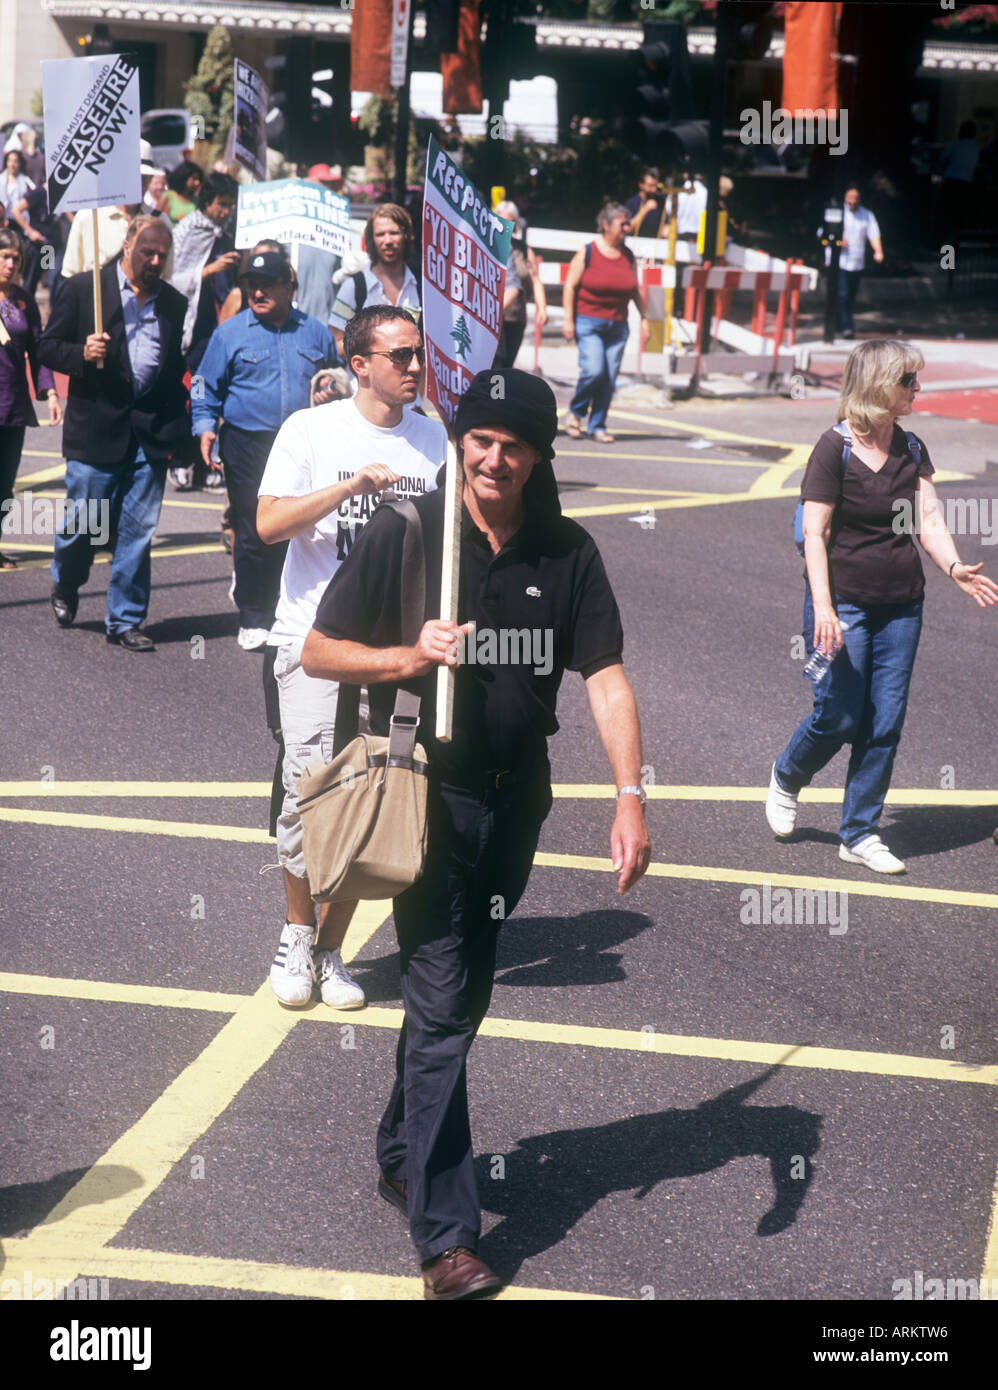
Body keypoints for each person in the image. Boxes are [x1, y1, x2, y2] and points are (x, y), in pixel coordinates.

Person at [300, 366, 651, 1299]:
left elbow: (604, 675)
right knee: (445, 996)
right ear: (462, 444)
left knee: (461, 995)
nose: (494, 458)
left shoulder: (567, 549)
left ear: (537, 456)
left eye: (514, 445)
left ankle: (398, 1147)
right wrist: (409, 655)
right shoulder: (409, 530)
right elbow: (318, 650)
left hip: (516, 798)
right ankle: (446, 1238)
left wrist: (629, 795)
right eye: (480, 441)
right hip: (426, 796)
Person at [256, 303, 445, 1011]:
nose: (414, 368)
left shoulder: (434, 442)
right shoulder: (310, 429)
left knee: (374, 800)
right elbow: (269, 523)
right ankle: (298, 935)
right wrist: (348, 488)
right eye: (400, 356)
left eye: (418, 355)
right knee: (310, 799)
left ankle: (334, 949)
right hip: (310, 641)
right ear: (359, 363)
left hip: (395, 651)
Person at [766, 339, 997, 873]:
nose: (916, 389)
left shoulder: (912, 449)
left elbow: (929, 521)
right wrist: (823, 608)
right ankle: (787, 776)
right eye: (908, 381)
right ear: (879, 385)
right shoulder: (835, 448)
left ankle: (860, 832)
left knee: (884, 721)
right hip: (843, 603)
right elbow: (816, 533)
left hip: (901, 607)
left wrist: (955, 568)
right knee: (840, 716)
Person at [38, 215, 189, 651]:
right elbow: (48, 346)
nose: (155, 260)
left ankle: (124, 619)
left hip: (149, 434)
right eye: (147, 251)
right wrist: (81, 353)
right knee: (83, 523)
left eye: (162, 253)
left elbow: (174, 367)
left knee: (136, 530)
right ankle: (66, 580)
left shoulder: (173, 304)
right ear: (127, 246)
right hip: (96, 429)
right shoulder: (84, 288)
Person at [192, 249, 341, 651]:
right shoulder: (230, 333)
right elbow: (203, 384)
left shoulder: (316, 332)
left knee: (299, 529)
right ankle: (254, 615)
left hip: (302, 444)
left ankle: (285, 609)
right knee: (256, 529)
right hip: (247, 442)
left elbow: (337, 378)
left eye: (267, 284)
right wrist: (204, 425)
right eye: (250, 284)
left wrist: (332, 390)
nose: (257, 291)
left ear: (290, 288)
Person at [167, 171, 240, 490]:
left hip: (222, 327)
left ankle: (210, 462)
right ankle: (183, 459)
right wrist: (210, 270)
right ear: (206, 203)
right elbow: (171, 279)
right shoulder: (187, 230)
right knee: (194, 393)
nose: (226, 211)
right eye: (222, 205)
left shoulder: (229, 231)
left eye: (230, 205)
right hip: (194, 331)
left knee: (216, 395)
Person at [561, 202, 649, 444]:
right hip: (589, 322)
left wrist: (644, 318)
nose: (626, 228)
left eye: (627, 223)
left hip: (618, 325)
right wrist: (568, 318)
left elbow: (635, 289)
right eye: (622, 223)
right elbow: (570, 285)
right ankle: (576, 412)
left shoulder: (628, 255)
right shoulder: (588, 252)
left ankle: (597, 425)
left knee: (609, 378)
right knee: (594, 370)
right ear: (606, 225)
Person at [0, 229, 62, 568]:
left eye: (16, 259)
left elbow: (38, 351)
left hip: (12, 406)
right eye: (5, 257)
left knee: (5, 486)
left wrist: (50, 391)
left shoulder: (23, 301)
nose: (10, 265)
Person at [329, 203, 420, 357]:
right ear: (371, 239)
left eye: (394, 232)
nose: (388, 240)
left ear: (406, 236)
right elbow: (335, 345)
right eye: (380, 234)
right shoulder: (354, 287)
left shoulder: (421, 287)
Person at [491, 199, 547, 371]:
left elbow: (535, 280)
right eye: (501, 221)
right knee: (495, 365)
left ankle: (499, 396)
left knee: (507, 366)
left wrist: (542, 308)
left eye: (510, 222)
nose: (504, 226)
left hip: (515, 317)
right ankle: (494, 396)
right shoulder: (488, 246)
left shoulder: (523, 250)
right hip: (493, 318)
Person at [837, 186, 883, 339]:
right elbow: (822, 234)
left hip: (857, 261)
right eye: (850, 197)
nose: (853, 201)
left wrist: (878, 251)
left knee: (850, 294)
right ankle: (847, 326)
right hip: (839, 261)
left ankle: (841, 321)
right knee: (842, 293)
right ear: (845, 197)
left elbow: (873, 234)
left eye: (856, 198)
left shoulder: (866, 215)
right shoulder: (838, 213)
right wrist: (838, 241)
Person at [624, 168, 666, 238]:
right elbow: (627, 229)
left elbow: (664, 226)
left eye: (655, 186)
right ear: (641, 185)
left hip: (655, 244)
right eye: (650, 186)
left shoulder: (661, 202)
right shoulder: (631, 203)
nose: (654, 190)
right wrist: (645, 209)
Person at [165, 160, 203, 224]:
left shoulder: (196, 199)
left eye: (198, 179)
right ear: (184, 177)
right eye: (194, 179)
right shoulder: (168, 197)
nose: (197, 183)